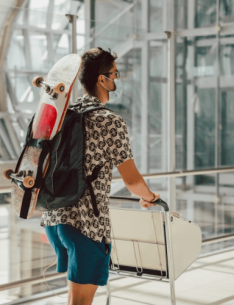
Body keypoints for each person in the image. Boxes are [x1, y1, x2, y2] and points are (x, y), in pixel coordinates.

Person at [40, 47, 160, 305]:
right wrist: (149, 197)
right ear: (101, 79)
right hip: (86, 225)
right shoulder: (109, 121)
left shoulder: (65, 115)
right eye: (114, 74)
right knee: (81, 301)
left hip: (55, 218)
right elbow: (131, 180)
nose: (117, 79)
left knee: (74, 298)